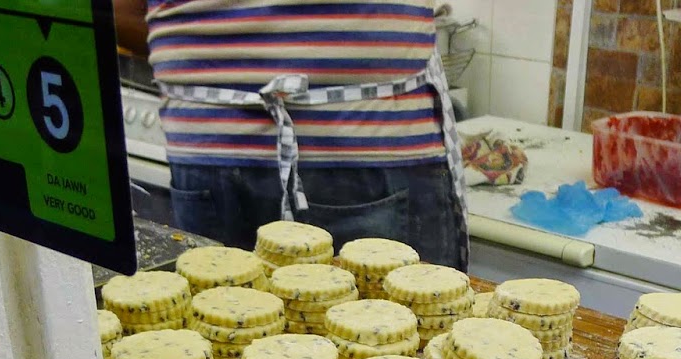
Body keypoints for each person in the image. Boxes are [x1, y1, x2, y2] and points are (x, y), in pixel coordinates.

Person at [113, 0, 467, 268]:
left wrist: (225, 58)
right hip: (365, 140)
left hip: (204, 140)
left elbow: (117, 8)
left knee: (221, 350)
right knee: (398, 351)